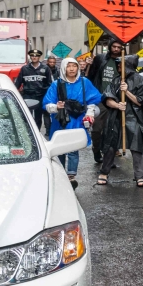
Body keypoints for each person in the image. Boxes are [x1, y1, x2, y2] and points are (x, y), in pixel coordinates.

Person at [43, 58, 101, 188]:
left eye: (74, 66)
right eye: (68, 66)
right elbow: (46, 104)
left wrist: (89, 114)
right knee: (60, 149)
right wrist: (56, 106)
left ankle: (71, 175)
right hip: (61, 121)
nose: (71, 69)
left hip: (77, 120)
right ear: (63, 68)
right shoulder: (56, 84)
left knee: (73, 148)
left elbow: (93, 100)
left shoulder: (84, 82)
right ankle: (61, 172)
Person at [96, 54, 143, 187]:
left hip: (134, 118)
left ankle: (139, 175)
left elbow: (141, 102)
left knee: (136, 146)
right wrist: (117, 105)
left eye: (121, 64)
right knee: (110, 145)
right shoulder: (115, 81)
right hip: (116, 117)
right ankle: (104, 172)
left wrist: (126, 92)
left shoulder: (141, 81)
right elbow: (107, 98)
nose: (119, 67)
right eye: (118, 65)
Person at [87, 39, 125, 163]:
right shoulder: (100, 58)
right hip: (99, 98)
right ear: (109, 47)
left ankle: (108, 157)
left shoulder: (124, 61)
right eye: (114, 46)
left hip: (115, 99)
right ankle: (96, 149)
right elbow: (91, 76)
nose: (116, 49)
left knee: (111, 129)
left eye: (119, 47)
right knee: (97, 128)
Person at [15, 49, 54, 130]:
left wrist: (45, 92)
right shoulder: (24, 69)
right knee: (27, 116)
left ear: (39, 57)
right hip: (27, 96)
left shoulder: (45, 68)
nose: (34, 57)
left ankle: (37, 132)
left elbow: (49, 84)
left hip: (40, 96)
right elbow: (18, 83)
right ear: (30, 57)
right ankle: (28, 132)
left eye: (36, 56)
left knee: (38, 117)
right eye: (32, 56)